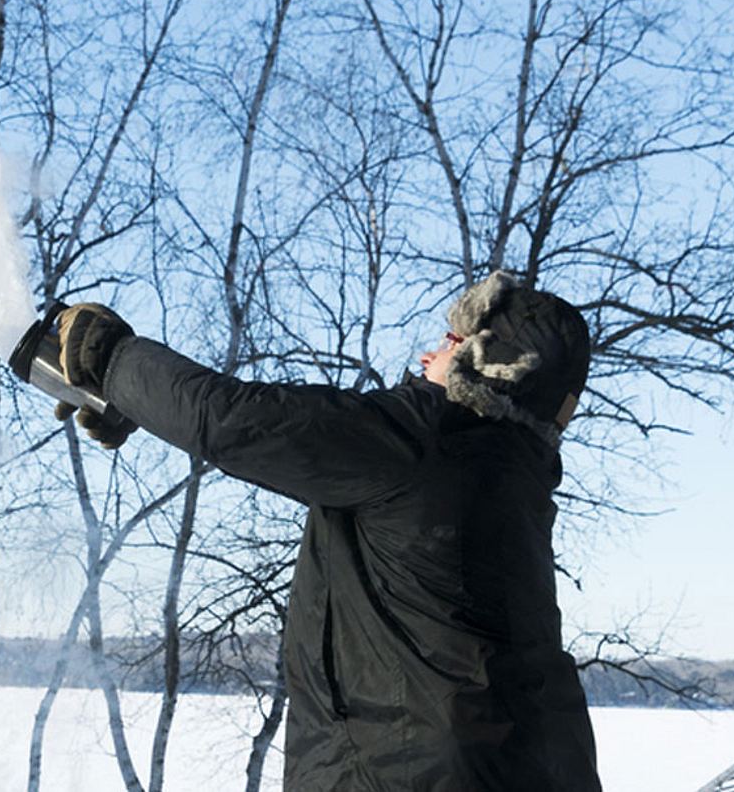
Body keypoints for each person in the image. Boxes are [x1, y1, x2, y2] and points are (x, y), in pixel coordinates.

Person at [52, 271, 602, 792]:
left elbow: (233, 423)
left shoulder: (426, 439)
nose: (429, 353)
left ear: (488, 364)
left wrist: (112, 360)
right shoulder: (515, 476)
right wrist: (139, 401)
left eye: (453, 340)